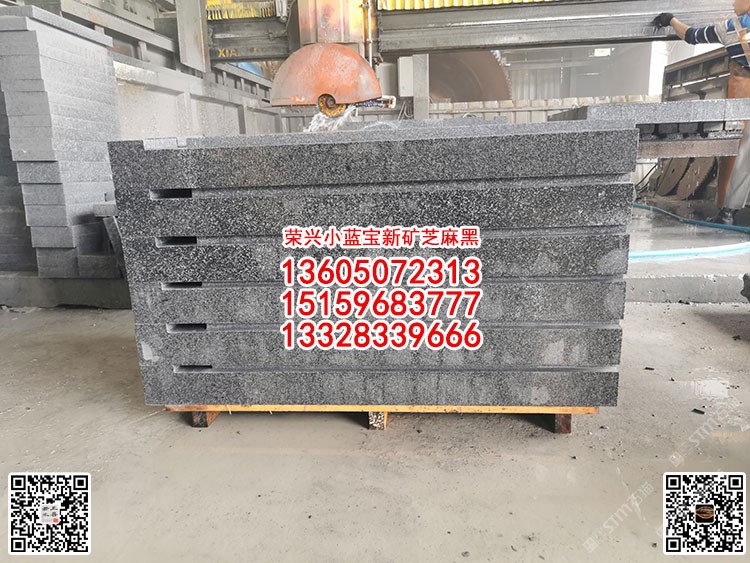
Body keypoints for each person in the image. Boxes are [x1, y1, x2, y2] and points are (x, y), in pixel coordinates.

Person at [655, 2, 750, 225]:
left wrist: (670, 20)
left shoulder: (730, 28)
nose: (733, 3)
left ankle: (728, 213)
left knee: (744, 154)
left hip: (745, 95)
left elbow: (691, 36)